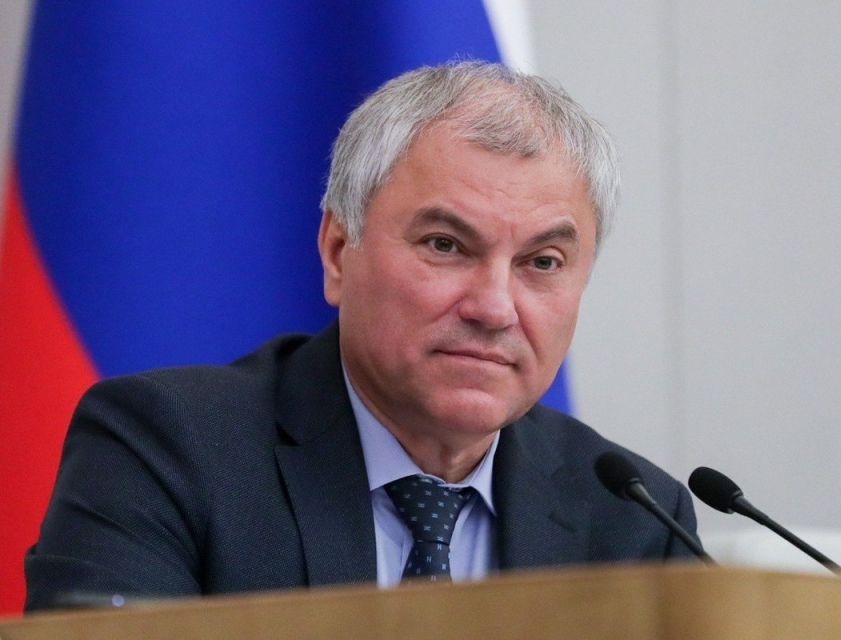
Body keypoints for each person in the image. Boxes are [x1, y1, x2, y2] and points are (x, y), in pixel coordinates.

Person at [26, 61, 699, 610]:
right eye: (445, 245)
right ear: (337, 252)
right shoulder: (166, 450)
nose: (495, 308)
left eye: (543, 262)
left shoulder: (635, 516)